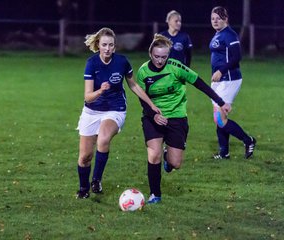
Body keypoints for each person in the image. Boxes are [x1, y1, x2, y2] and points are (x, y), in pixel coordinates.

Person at [136, 34, 231, 204]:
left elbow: (199, 83)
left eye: (164, 57)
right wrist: (154, 115)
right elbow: (142, 99)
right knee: (154, 154)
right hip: (153, 118)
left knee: (176, 163)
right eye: (157, 56)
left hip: (177, 118)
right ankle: (155, 194)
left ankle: (168, 157)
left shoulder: (175, 67)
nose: (160, 60)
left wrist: (221, 102)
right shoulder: (143, 72)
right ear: (150, 54)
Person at [76, 27, 161, 199]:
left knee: (104, 138)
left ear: (115, 47)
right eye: (104, 45)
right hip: (92, 110)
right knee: (85, 156)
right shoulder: (92, 63)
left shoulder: (122, 62)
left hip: (115, 110)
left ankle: (96, 181)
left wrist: (150, 104)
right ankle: (84, 188)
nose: (107, 48)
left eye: (111, 45)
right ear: (98, 45)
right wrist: (100, 91)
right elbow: (88, 97)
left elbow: (133, 85)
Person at [209, 6, 256, 160]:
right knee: (219, 117)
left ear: (226, 19)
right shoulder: (218, 34)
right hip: (219, 81)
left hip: (229, 79)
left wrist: (221, 71)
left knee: (220, 119)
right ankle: (224, 153)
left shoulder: (230, 35)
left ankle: (248, 141)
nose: (215, 21)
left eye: (218, 18)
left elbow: (237, 57)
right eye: (213, 18)